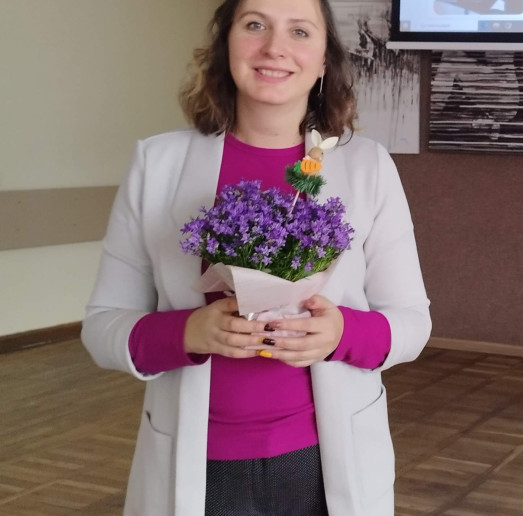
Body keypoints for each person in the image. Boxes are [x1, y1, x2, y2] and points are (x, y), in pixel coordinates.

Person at [80, 0, 431, 514]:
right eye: (255, 25)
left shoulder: (367, 167)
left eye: (299, 31)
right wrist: (189, 333)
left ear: (324, 59)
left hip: (328, 462)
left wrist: (340, 333)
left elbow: (412, 323)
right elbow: (102, 328)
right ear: (226, 45)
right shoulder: (157, 164)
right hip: (199, 465)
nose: (274, 47)